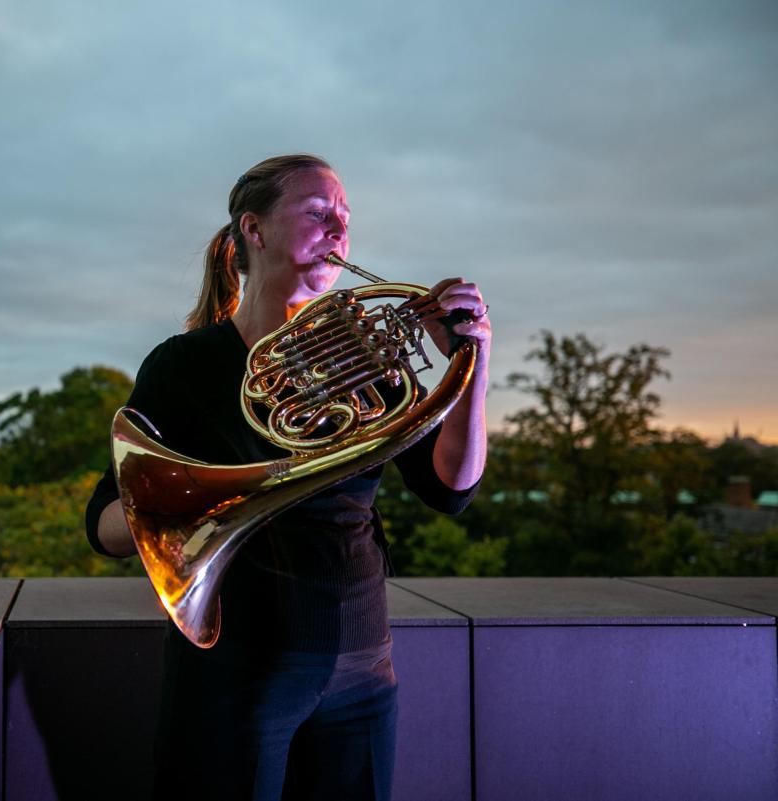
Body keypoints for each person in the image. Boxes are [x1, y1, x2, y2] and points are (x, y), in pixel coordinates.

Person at [85, 154, 490, 801]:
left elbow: (451, 489)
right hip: (235, 664)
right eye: (317, 212)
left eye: (345, 219)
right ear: (255, 229)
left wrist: (472, 366)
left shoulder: (369, 355)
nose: (338, 229)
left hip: (361, 657)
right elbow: (104, 519)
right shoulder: (185, 364)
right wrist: (174, 510)